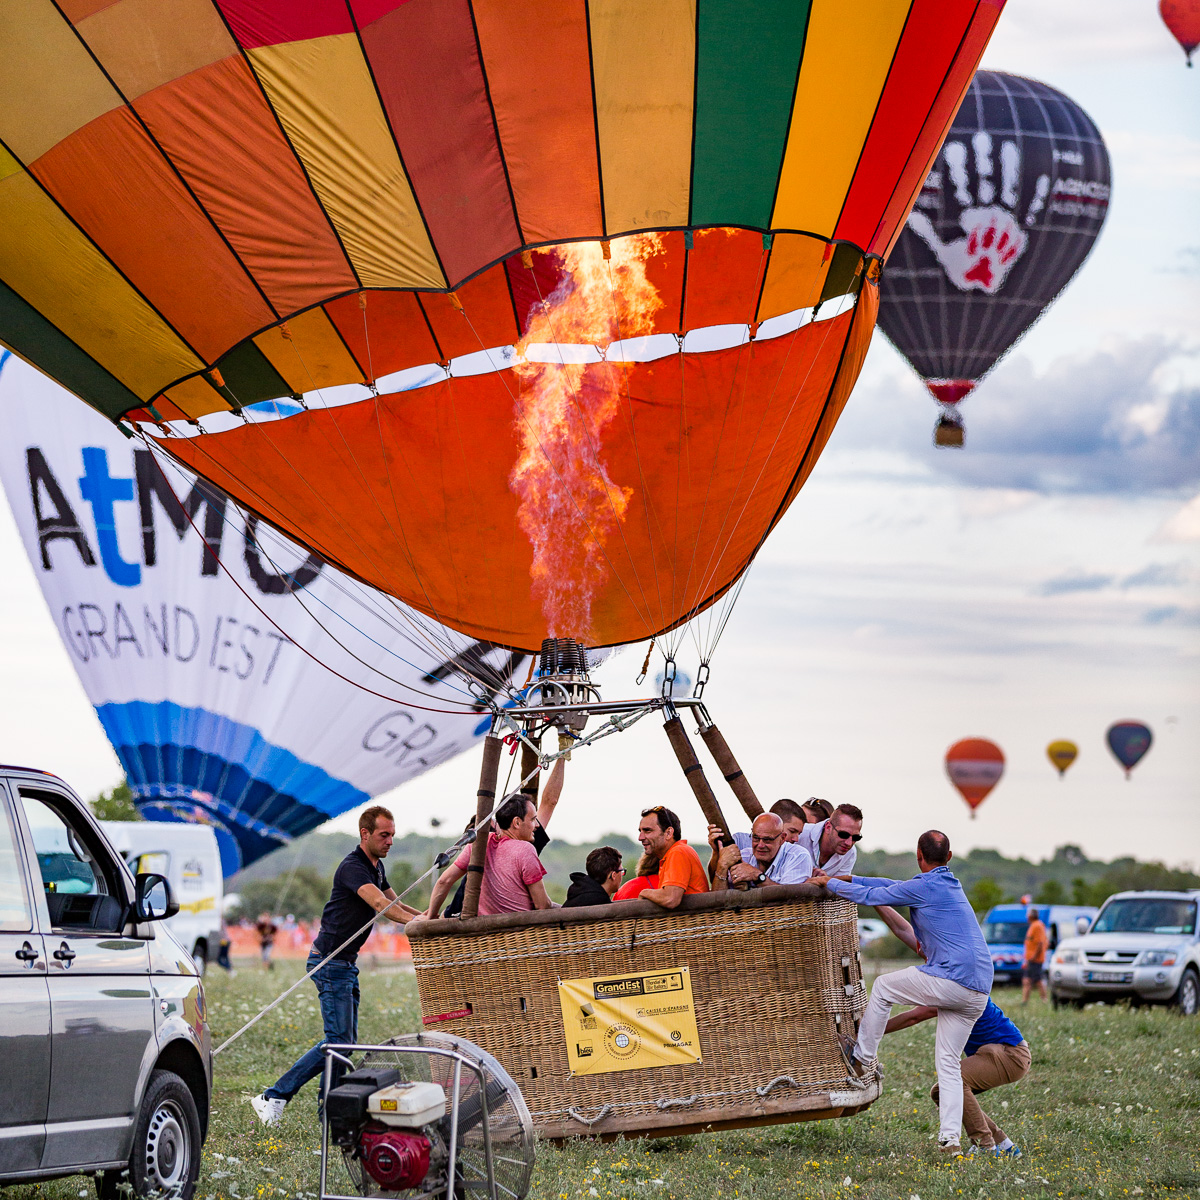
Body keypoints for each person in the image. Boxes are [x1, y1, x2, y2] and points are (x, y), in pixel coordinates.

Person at [813, 830, 993, 1155]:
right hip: (980, 988)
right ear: (948, 858)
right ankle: (949, 1140)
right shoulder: (948, 883)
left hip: (953, 978)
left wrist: (829, 883)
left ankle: (862, 1057)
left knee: (883, 986)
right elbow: (886, 884)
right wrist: (850, 876)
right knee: (949, 1064)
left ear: (918, 856)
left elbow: (874, 896)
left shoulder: (924, 887)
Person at [252, 805, 421, 1125]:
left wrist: (427, 918)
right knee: (339, 1042)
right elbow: (380, 905)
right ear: (365, 834)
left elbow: (396, 902)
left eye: (393, 836)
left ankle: (328, 1110)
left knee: (344, 1043)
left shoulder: (377, 867)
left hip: (345, 963)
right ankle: (274, 1096)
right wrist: (417, 922)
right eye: (384, 835)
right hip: (330, 963)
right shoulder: (353, 867)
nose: (390, 842)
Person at [876, 904, 1029, 1157]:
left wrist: (866, 1032)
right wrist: (876, 900)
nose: (923, 951)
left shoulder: (954, 981)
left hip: (1008, 1053)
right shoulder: (943, 966)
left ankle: (985, 1146)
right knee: (942, 1091)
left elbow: (915, 1016)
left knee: (955, 1080)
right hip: (1003, 1053)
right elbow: (903, 928)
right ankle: (1004, 1145)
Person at [444, 758, 565, 917]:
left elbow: (444, 887)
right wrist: (563, 754)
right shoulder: (526, 847)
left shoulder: (470, 880)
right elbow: (550, 802)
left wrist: (427, 916)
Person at [426, 791, 554, 917]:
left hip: (484, 929)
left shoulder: (479, 844)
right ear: (517, 822)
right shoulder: (525, 850)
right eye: (533, 820)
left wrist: (429, 917)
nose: (537, 825)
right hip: (518, 931)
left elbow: (444, 881)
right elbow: (542, 905)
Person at [706, 813, 814, 889]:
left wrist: (757, 876)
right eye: (756, 838)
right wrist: (719, 860)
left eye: (767, 840)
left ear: (782, 838)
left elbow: (792, 899)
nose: (760, 845)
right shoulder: (743, 857)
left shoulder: (798, 856)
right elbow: (717, 896)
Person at [635, 805, 708, 909]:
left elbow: (670, 899)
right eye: (640, 831)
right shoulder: (675, 853)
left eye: (647, 831)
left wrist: (644, 893)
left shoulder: (677, 852)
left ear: (668, 833)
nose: (640, 838)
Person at [798, 803, 863, 878]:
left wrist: (825, 881)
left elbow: (838, 887)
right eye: (843, 835)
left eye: (856, 837)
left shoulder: (850, 853)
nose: (849, 843)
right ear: (828, 827)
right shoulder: (801, 834)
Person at [1022, 906, 1049, 1003]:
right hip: (1031, 959)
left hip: (1035, 959)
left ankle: (1044, 999)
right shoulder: (1034, 925)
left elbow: (1040, 943)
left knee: (1037, 980)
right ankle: (1025, 1000)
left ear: (1031, 916)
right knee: (1027, 980)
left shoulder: (1037, 926)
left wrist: (1034, 956)